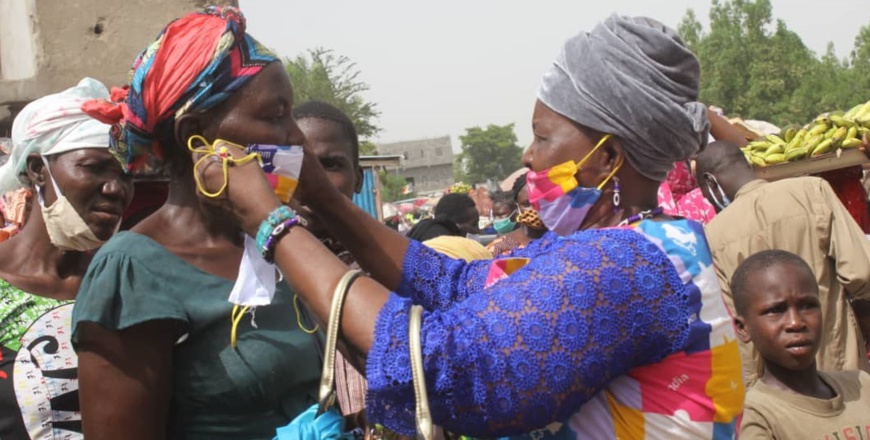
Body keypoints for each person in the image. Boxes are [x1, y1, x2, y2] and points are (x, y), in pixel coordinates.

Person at [193, 14, 743, 438]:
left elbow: (445, 365)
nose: (528, 158)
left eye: (544, 137)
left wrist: (272, 222)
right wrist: (322, 198)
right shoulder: (616, 246)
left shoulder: (625, 265)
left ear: (606, 157)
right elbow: (453, 286)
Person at [71, 8, 322, 439]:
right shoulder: (133, 273)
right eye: (275, 115)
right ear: (195, 133)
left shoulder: (275, 242)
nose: (295, 137)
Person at [0, 78, 133, 440]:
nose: (115, 188)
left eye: (125, 174)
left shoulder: (128, 284)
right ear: (39, 170)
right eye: (93, 167)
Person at [696, 140, 870, 385]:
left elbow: (737, 327)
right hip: (842, 368)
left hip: (780, 387)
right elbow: (861, 272)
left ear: (711, 182)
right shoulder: (813, 191)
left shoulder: (714, 235)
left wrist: (752, 390)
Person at [731, 250, 870, 439]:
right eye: (775, 310)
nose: (795, 323)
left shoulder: (861, 385)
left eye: (808, 305)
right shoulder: (756, 416)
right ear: (742, 328)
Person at [487, 173, 547, 256]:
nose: (535, 209)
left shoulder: (565, 240)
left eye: (542, 202)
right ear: (517, 207)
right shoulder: (501, 247)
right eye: (527, 204)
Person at [406, 193, 480, 241]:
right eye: (474, 225)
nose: (478, 231)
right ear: (457, 225)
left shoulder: (424, 229)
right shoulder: (443, 245)